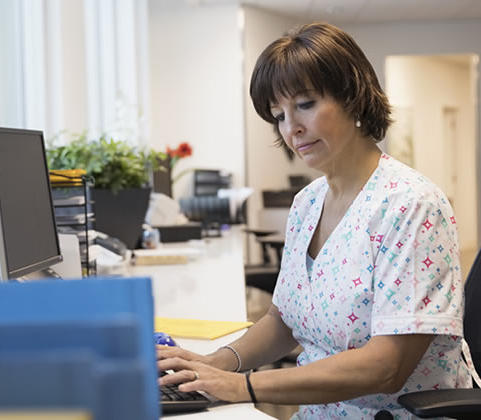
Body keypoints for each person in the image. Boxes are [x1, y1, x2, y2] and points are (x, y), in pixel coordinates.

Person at [157, 22, 472, 419]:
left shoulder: (410, 205)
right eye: (279, 115)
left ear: (354, 99)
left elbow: (387, 365)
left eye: (305, 104)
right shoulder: (308, 202)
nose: (292, 128)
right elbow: (283, 320)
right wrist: (215, 362)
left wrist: (243, 386)